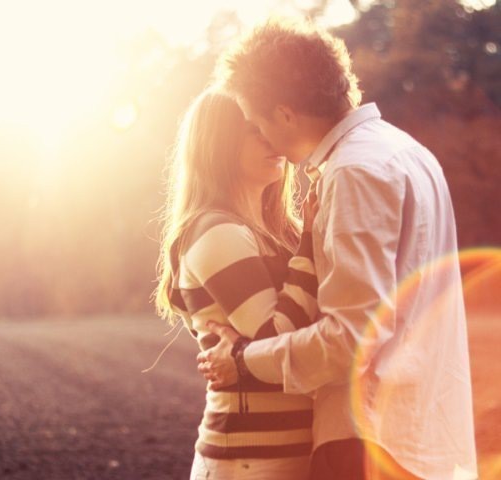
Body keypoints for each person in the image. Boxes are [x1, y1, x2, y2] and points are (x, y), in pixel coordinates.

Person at [198, 18, 478, 480]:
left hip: (367, 440)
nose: (262, 136)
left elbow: (351, 339)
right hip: (422, 435)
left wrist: (243, 360)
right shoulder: (409, 152)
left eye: (257, 122)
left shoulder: (352, 172)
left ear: (285, 114)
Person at [154, 88, 320, 480]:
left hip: (295, 453)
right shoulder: (216, 231)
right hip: (248, 462)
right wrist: (312, 238)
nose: (271, 138)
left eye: (271, 125)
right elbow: (277, 339)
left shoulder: (281, 232)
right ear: (217, 144)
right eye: (253, 130)